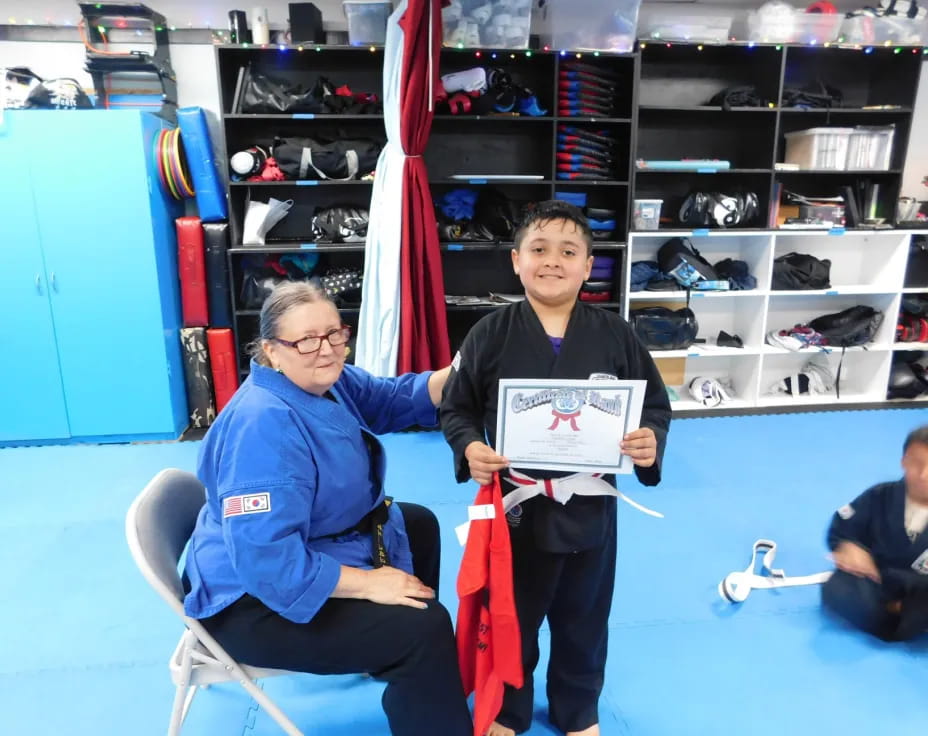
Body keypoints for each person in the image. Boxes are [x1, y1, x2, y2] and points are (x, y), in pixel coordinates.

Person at [182, 281, 472, 736]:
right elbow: (267, 563)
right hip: (248, 603)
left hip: (293, 550)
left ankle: (400, 668)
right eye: (306, 340)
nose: (327, 349)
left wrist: (468, 365)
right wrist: (369, 583)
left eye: (335, 333)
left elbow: (390, 399)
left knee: (417, 524)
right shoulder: (263, 427)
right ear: (271, 351)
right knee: (423, 628)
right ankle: (410, 655)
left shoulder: (325, 381)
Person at [440, 200, 672, 736]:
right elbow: (456, 408)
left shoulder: (616, 334)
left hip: (591, 507)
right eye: (539, 249)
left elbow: (655, 407)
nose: (552, 261)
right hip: (517, 511)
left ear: (588, 266)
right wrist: (470, 447)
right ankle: (509, 709)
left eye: (568, 252)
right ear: (516, 260)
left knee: (584, 619)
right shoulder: (489, 333)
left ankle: (578, 711)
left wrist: (649, 441)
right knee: (512, 616)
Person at [823, 425, 928, 642]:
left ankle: (901, 614)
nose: (924, 475)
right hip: (877, 581)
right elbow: (843, 528)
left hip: (922, 590)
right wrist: (848, 546)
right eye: (917, 464)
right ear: (903, 461)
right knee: (839, 589)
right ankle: (899, 617)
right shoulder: (879, 496)